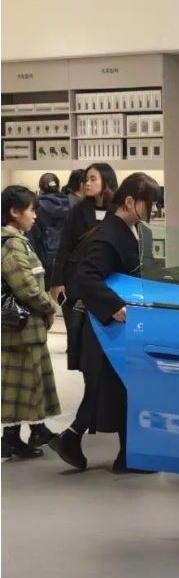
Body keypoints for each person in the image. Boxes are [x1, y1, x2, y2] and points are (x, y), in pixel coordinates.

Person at [49, 173, 160, 474]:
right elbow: (86, 277)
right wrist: (114, 307)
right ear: (130, 202)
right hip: (104, 327)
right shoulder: (110, 234)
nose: (153, 210)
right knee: (117, 388)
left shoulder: (126, 230)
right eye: (149, 204)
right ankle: (124, 456)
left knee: (112, 388)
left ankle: (81, 442)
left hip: (110, 326)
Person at [2, 185, 61, 457]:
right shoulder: (11, 244)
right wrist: (49, 306)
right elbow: (26, 286)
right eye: (31, 209)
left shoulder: (18, 240)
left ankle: (33, 430)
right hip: (21, 329)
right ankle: (11, 439)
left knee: (28, 384)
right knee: (21, 385)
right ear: (15, 212)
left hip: (26, 329)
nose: (35, 215)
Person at [49, 163, 117, 371]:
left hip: (107, 280)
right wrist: (57, 281)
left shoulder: (117, 210)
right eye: (86, 179)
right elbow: (65, 247)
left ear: (106, 181)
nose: (87, 183)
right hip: (76, 279)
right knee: (79, 331)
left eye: (93, 179)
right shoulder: (78, 210)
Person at [29, 174, 72, 290]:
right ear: (58, 185)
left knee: (46, 287)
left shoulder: (37, 205)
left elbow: (33, 232)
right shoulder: (70, 203)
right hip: (65, 251)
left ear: (40, 187)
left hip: (44, 251)